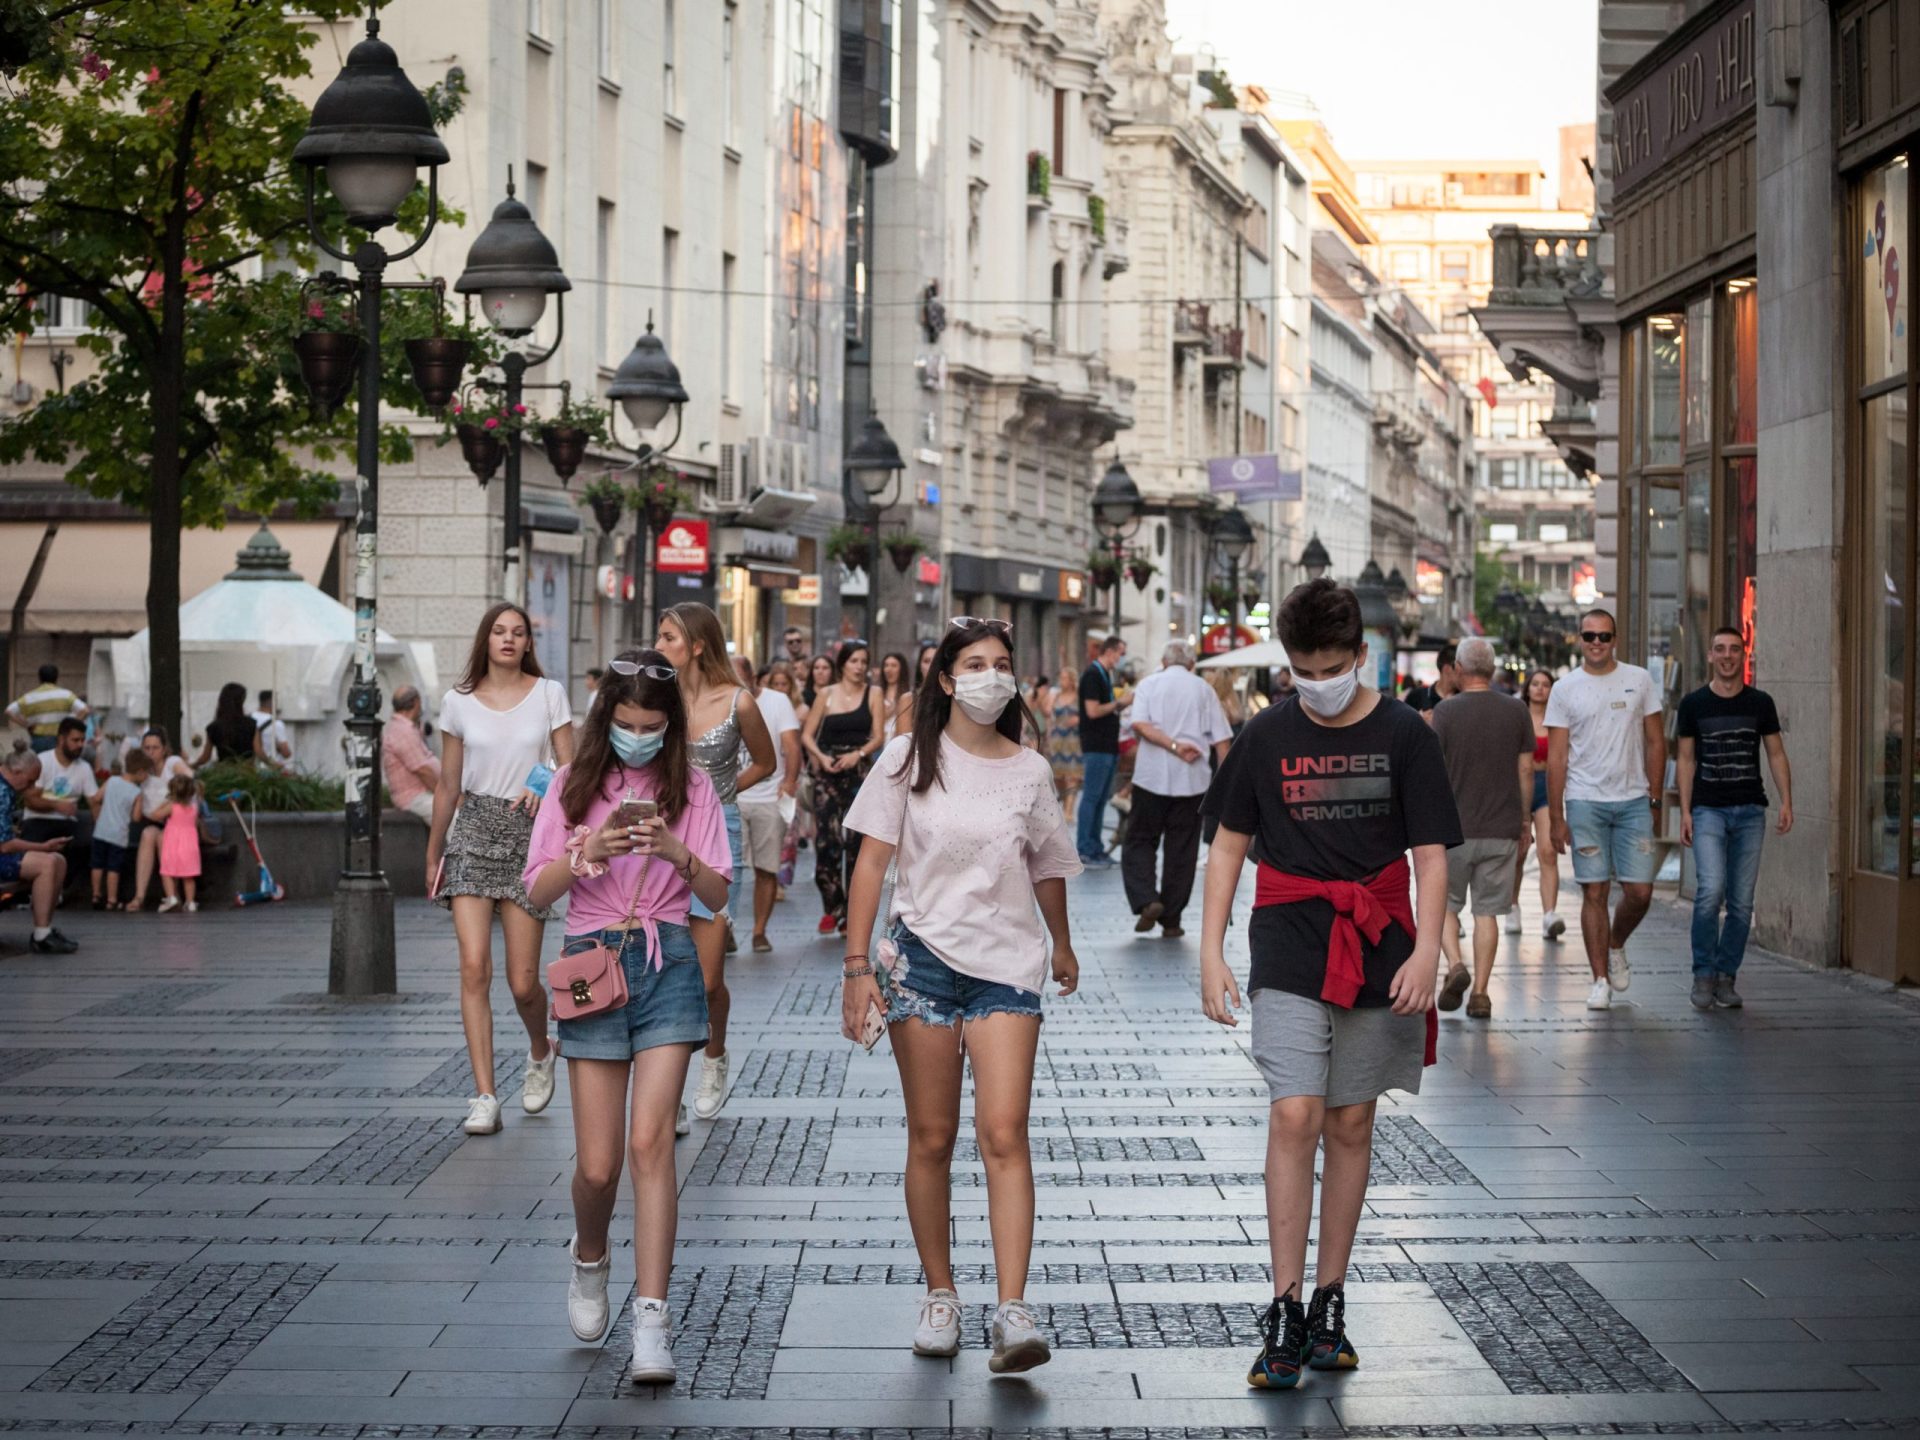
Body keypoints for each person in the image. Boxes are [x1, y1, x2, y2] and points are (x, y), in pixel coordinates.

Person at [1198, 578, 1459, 1390]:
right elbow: (1230, 847)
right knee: (1295, 1111)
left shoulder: (1406, 733)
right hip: (1287, 941)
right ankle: (1280, 1305)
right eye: (1302, 670)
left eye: (1330, 667)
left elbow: (1433, 854)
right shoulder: (1266, 736)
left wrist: (1428, 951)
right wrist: (1209, 951)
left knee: (1350, 1123)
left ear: (1359, 655)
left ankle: (1329, 1300)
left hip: (1380, 944)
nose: (1317, 683)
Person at [841, 617, 1081, 1373]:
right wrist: (856, 969)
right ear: (945, 679)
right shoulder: (907, 759)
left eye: (1002, 663)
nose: (990, 675)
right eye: (973, 663)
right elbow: (872, 866)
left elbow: (1046, 864)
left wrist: (1063, 941)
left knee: (1005, 1132)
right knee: (933, 1137)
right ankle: (941, 1294)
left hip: (1009, 966)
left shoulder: (1030, 771)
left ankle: (1013, 1311)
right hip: (921, 963)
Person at [521, 648, 732, 1384]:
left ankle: (652, 1320)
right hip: (591, 963)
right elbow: (539, 891)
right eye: (624, 722)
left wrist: (675, 850)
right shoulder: (574, 786)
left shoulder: (694, 788)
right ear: (605, 714)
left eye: (650, 725)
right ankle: (589, 1256)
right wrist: (588, 854)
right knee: (599, 1164)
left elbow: (719, 893)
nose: (636, 737)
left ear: (669, 725)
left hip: (669, 961)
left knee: (652, 1145)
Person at [428, 602, 574, 1136]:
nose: (508, 639)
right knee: (473, 967)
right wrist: (433, 852)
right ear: (485, 640)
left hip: (528, 836)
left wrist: (542, 787)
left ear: (528, 642)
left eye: (518, 632)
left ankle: (541, 1049)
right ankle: (485, 1094)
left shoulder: (549, 693)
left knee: (521, 982)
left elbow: (571, 768)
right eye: (499, 631)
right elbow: (447, 784)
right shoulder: (457, 702)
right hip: (471, 830)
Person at [654, 604, 775, 1126]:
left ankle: (715, 1056)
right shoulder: (657, 699)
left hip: (718, 833)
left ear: (697, 645)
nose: (659, 647)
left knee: (706, 979)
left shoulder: (738, 702)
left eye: (668, 639)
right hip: (664, 832)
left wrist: (723, 791)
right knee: (667, 974)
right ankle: (671, 1094)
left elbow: (767, 763)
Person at [1546, 608, 1665, 1012]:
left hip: (1632, 800)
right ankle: (1599, 980)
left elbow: (1656, 742)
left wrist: (1655, 799)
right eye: (1589, 636)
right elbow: (1558, 757)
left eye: (1603, 636)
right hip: (1585, 801)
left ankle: (1616, 943)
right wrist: (1557, 818)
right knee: (1593, 890)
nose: (1596, 643)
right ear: (1579, 639)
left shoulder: (1639, 680)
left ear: (1615, 639)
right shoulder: (1564, 689)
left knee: (1640, 891)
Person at [1677, 627, 1794, 1010]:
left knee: (1742, 903)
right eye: (1720, 649)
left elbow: (1775, 753)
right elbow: (1687, 759)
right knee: (1710, 892)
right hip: (1708, 809)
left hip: (1750, 811)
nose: (1727, 655)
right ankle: (1703, 974)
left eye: (1734, 649)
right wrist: (1687, 811)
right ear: (1710, 656)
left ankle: (1727, 977)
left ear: (1744, 655)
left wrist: (1786, 801)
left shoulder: (1761, 702)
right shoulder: (1694, 704)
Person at [1430, 637, 1535, 1021]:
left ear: (1458, 669)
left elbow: (1432, 771)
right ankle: (1480, 993)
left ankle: (1456, 963)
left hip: (1453, 829)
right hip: (1501, 827)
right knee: (1487, 912)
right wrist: (1524, 820)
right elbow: (1526, 770)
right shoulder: (1516, 710)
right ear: (1490, 670)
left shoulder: (1444, 712)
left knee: (1444, 905)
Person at [1123, 643, 1233, 941]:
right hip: (1193, 782)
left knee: (1139, 840)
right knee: (1182, 850)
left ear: (1163, 660)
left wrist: (1171, 745)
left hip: (1151, 778)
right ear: (1192, 663)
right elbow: (1223, 741)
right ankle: (1172, 918)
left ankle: (1147, 898)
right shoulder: (1203, 690)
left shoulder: (1148, 684)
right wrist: (1225, 785)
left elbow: (1140, 725)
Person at [800, 640, 886, 935]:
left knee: (856, 844)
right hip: (828, 770)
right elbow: (808, 735)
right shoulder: (825, 694)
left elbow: (877, 737)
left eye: (864, 661)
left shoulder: (874, 693)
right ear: (843, 665)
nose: (860, 667)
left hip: (859, 772)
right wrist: (821, 757)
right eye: (854, 661)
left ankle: (851, 912)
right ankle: (831, 906)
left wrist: (857, 755)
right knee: (826, 842)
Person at [738, 659, 801, 953]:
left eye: (740, 679)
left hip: (767, 796)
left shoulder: (777, 701)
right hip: (731, 798)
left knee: (766, 868)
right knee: (726, 868)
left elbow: (791, 744)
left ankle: (759, 931)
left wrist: (789, 781)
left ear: (754, 678)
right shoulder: (719, 698)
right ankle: (722, 926)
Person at [0, 748, 79, 952]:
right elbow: (5, 845)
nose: (32, 787)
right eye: (30, 781)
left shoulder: (7, 789)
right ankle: (41, 936)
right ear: (17, 772)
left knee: (58, 861)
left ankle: (44, 929)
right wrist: (43, 847)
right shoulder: (1, 791)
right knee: (47, 862)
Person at [1518, 670, 1565, 941]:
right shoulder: (1518, 715)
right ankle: (1513, 906)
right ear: (1528, 688)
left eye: (1545, 685)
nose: (1540, 689)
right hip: (1520, 786)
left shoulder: (1557, 718)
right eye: (1535, 684)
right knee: (1519, 853)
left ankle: (1550, 914)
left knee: (1548, 851)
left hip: (1547, 787)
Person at [127, 729, 193, 911]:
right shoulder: (142, 774)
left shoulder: (172, 763)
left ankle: (174, 895)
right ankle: (139, 897)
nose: (151, 752)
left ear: (164, 749)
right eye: (146, 747)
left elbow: (190, 778)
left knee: (164, 837)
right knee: (148, 834)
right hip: (157, 822)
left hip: (182, 823)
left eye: (155, 747)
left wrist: (169, 805)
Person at [1075, 634, 1127, 866]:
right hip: (1096, 745)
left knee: (1100, 798)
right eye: (1120, 653)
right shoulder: (1093, 675)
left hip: (1107, 745)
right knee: (1092, 796)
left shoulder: (1104, 674)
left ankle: (1095, 846)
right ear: (1110, 651)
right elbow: (1093, 711)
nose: (1121, 659)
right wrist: (1120, 703)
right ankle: (1085, 847)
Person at [22, 718, 99, 870]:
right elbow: (30, 800)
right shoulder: (42, 761)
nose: (80, 745)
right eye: (75, 740)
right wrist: (56, 805)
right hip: (38, 820)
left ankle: (63, 890)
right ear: (61, 739)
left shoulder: (84, 768)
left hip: (68, 823)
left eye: (83, 740)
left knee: (84, 843)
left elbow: (94, 802)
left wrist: (102, 830)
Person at [92, 750, 146, 911]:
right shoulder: (136, 792)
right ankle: (111, 899)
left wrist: (99, 815)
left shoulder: (112, 780)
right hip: (119, 835)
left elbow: (96, 798)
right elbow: (136, 817)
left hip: (101, 831)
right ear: (140, 772)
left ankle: (95, 895)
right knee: (113, 868)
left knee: (97, 865)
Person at [383, 686, 441, 824]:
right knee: (454, 817)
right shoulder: (403, 732)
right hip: (415, 796)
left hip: (422, 792)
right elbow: (422, 771)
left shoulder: (406, 727)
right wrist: (444, 797)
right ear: (416, 702)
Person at [153, 771, 210, 913]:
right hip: (190, 845)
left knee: (167, 872)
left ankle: (171, 897)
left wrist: (165, 802)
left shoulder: (172, 806)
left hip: (173, 843)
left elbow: (155, 815)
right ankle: (190, 902)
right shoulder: (194, 807)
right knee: (188, 876)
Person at [6, 664, 88, 753]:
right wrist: (70, 727)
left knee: (40, 765)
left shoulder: (30, 697)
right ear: (57, 677)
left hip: (38, 740)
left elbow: (9, 711)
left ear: (39, 678)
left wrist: (26, 724)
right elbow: (85, 710)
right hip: (59, 739)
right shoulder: (66, 695)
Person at [190, 683, 264, 767]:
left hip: (224, 773)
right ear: (241, 702)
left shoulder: (213, 727)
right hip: (247, 772)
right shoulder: (251, 724)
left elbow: (206, 757)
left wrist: (192, 765)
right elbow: (259, 752)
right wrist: (272, 764)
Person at [1046, 664, 1082, 822]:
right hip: (1057, 740)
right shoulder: (1056, 695)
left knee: (1073, 776)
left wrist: (1078, 720)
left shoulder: (1079, 696)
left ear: (1072, 680)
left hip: (1074, 740)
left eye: (1065, 678)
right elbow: (1047, 713)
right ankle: (1064, 803)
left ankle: (1069, 810)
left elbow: (1087, 715)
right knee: (1058, 777)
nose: (1061, 681)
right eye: (1060, 678)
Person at [1404, 642, 1458, 720]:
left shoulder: (1464, 698)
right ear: (1447, 669)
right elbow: (1402, 726)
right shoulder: (1416, 696)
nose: (1463, 673)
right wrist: (1419, 721)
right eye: (1459, 667)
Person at [251, 691, 293, 769]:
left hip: (252, 768)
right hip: (271, 768)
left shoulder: (250, 719)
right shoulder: (276, 724)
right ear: (272, 702)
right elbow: (286, 753)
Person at [878, 652, 915, 741]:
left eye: (893, 666)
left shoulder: (909, 694)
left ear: (901, 669)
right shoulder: (878, 693)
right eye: (886, 665)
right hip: (878, 745)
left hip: (899, 741)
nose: (888, 669)